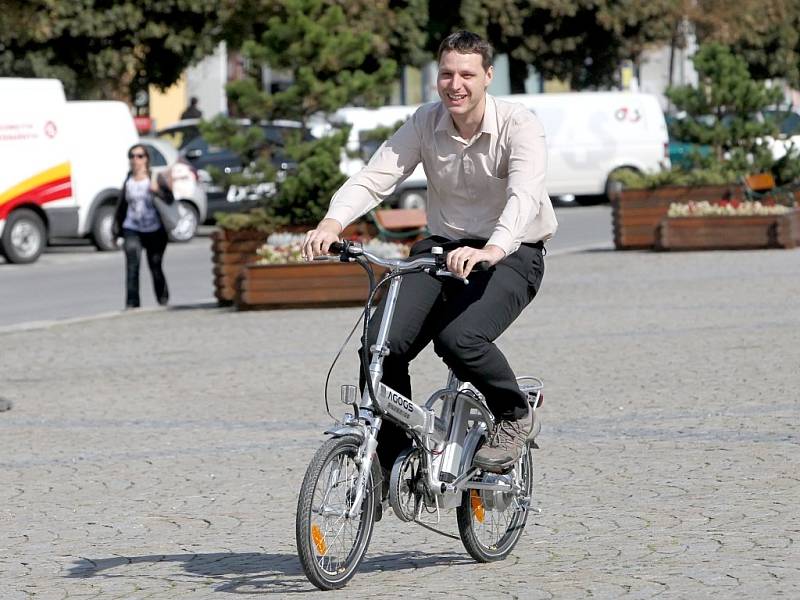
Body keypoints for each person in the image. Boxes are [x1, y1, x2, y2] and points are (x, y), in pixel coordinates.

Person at [302, 30, 558, 475]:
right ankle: (394, 451)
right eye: (446, 74)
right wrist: (332, 222)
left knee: (459, 340)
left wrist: (494, 248)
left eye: (467, 74)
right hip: (443, 248)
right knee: (380, 346)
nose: (455, 84)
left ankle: (515, 414)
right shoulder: (425, 122)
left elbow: (525, 196)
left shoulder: (520, 125)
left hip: (513, 250)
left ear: (487, 77)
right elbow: (374, 176)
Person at [112, 144, 174, 309]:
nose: (135, 160)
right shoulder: (128, 179)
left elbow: (170, 200)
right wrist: (116, 231)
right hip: (132, 228)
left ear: (146, 159)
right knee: (132, 266)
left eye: (139, 156)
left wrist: (157, 191)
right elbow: (121, 207)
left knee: (155, 265)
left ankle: (163, 298)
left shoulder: (154, 177)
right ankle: (132, 303)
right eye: (132, 156)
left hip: (154, 229)